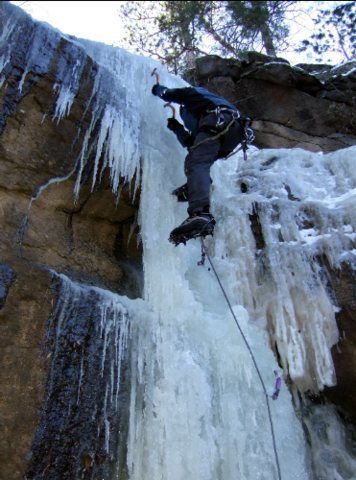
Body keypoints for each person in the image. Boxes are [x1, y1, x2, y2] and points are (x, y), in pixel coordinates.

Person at [151, 82, 249, 245]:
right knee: (195, 159)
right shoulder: (200, 118)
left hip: (220, 120)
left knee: (197, 162)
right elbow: (192, 144)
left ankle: (200, 213)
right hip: (230, 134)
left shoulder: (197, 94)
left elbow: (174, 94)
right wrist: (177, 128)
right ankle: (195, 189)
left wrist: (159, 90)